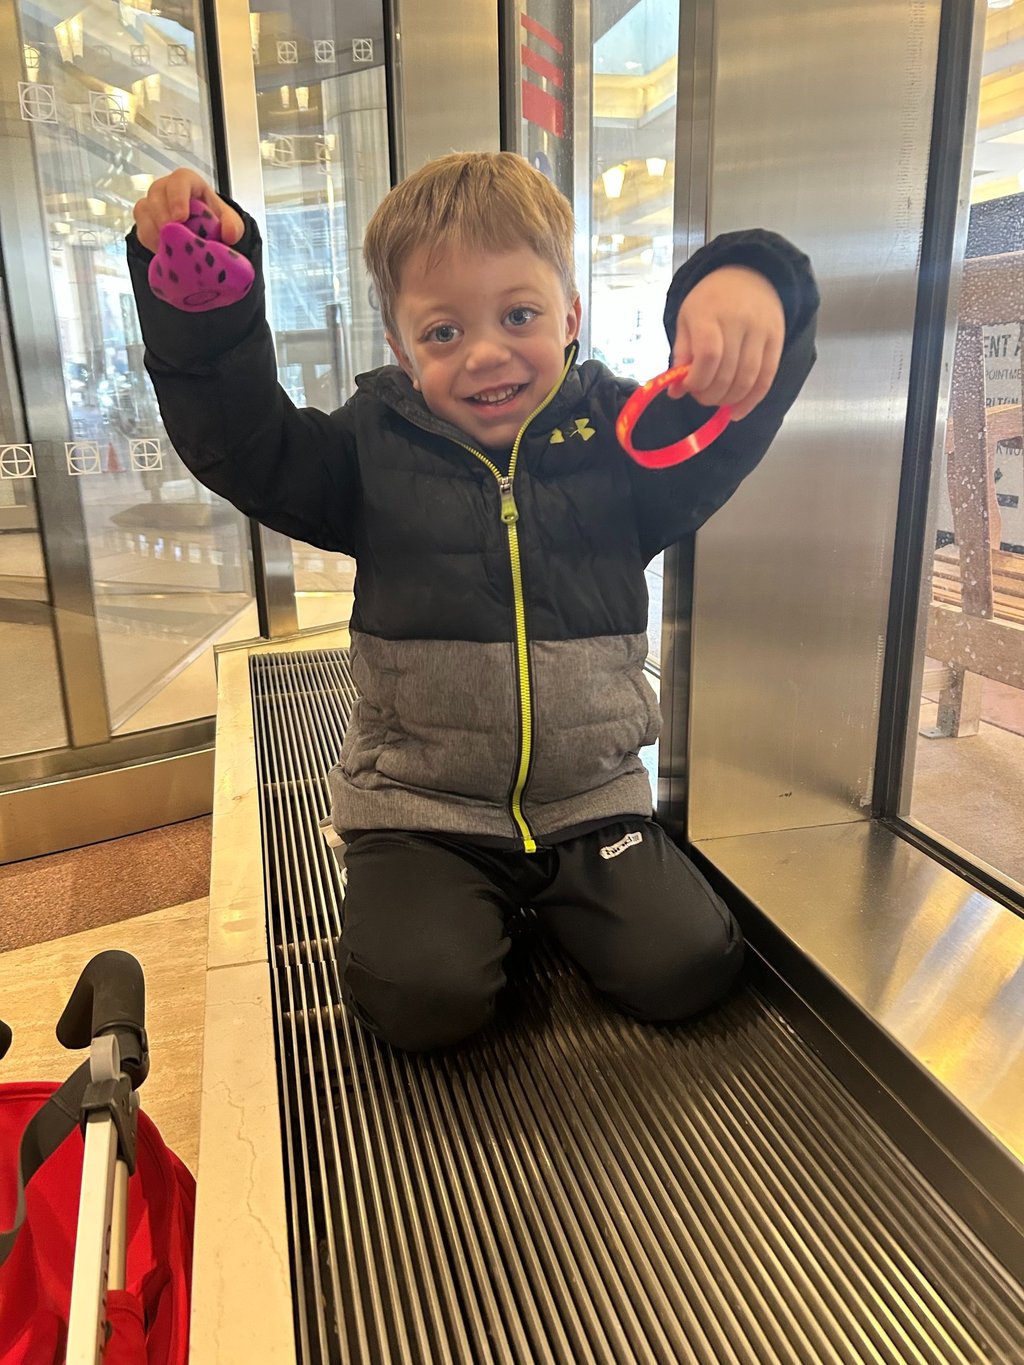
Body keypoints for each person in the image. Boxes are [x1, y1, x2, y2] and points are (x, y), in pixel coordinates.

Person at [127, 152, 818, 1052]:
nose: (486, 353)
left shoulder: (620, 440)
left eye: (519, 315)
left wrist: (752, 278)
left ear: (571, 315)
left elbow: (729, 420)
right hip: (422, 809)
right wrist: (204, 321)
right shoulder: (369, 449)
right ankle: (442, 904)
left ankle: (544, 902)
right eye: (444, 331)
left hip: (590, 801)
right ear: (400, 348)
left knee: (688, 966)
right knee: (423, 999)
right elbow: (246, 448)